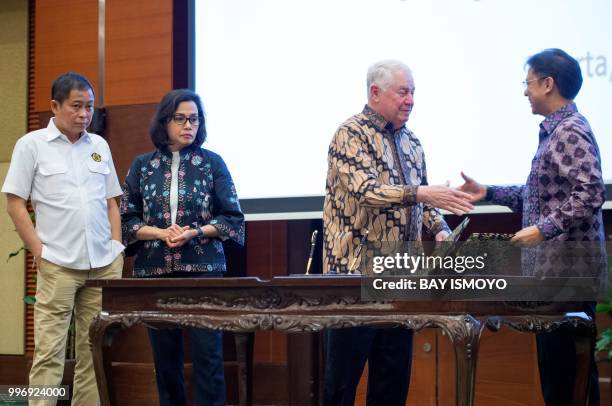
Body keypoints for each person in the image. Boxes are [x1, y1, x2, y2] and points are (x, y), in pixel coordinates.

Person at [459, 48, 606, 406]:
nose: (525, 92)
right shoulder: (556, 132)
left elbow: (591, 191)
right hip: (557, 280)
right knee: (563, 380)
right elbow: (540, 195)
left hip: (568, 277)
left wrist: (543, 229)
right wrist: (489, 192)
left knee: (566, 382)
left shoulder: (569, 131)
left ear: (548, 84)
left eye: (528, 84)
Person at [322, 60, 474, 406]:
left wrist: (441, 230)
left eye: (413, 93)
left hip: (401, 280)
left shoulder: (413, 143)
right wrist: (420, 193)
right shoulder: (350, 134)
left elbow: (425, 204)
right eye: (403, 92)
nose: (410, 100)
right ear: (375, 93)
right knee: (341, 385)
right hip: (355, 278)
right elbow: (367, 192)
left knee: (392, 386)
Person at [2, 73, 125, 405]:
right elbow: (14, 201)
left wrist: (116, 246)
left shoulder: (99, 146)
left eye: (89, 106)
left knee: (91, 351)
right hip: (58, 263)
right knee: (49, 351)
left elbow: (112, 201)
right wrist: (38, 250)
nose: (84, 114)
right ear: (55, 106)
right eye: (76, 106)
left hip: (102, 264)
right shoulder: (31, 145)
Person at [120, 89, 244, 406]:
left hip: (203, 273)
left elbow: (232, 218)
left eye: (194, 119)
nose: (188, 125)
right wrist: (160, 233)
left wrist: (195, 232)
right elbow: (125, 220)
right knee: (166, 363)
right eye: (180, 118)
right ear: (165, 122)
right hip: (154, 272)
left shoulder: (212, 163)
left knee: (209, 358)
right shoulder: (142, 165)